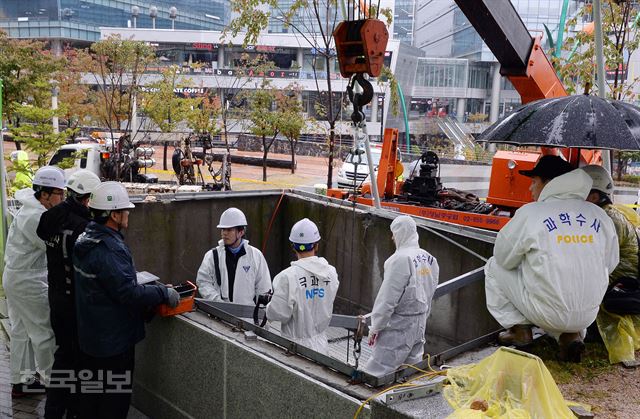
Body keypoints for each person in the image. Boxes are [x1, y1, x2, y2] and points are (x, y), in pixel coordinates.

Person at [485, 155, 619, 362]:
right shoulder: (599, 216)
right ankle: (570, 336)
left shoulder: (531, 213)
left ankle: (519, 329)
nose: (530, 189)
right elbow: (610, 264)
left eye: (533, 182)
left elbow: (504, 258)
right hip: (587, 315)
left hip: (546, 312)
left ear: (549, 183)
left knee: (493, 266)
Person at [73, 182, 180, 419]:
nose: (128, 213)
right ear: (114, 214)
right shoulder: (110, 248)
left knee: (93, 398)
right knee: (114, 402)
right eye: (125, 210)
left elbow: (109, 284)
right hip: (113, 344)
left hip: (92, 339)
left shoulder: (86, 238)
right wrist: (162, 293)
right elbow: (128, 293)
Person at [36, 169, 101, 418]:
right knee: (72, 360)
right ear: (87, 199)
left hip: (57, 299)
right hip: (75, 304)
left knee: (64, 355)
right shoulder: (83, 227)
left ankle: (61, 409)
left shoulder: (51, 219)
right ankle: (64, 410)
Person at [3, 166, 65, 397]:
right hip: (29, 281)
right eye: (59, 193)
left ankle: (21, 381)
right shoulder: (36, 217)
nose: (62, 198)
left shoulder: (32, 207)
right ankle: (53, 384)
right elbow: (55, 248)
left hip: (16, 277)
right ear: (45, 193)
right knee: (44, 332)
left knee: (20, 331)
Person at [364, 215, 440, 376]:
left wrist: (376, 327)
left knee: (379, 371)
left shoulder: (399, 260)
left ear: (399, 233)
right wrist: (423, 317)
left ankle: (375, 401)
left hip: (398, 326)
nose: (392, 237)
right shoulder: (429, 259)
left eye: (393, 233)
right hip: (419, 324)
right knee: (411, 371)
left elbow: (387, 299)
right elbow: (430, 291)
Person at [581, 165, 640, 363]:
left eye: (581, 192)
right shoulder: (605, 214)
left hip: (621, 281)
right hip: (620, 274)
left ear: (595, 197)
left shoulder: (606, 220)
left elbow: (598, 260)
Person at [265, 218, 339, 354]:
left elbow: (278, 313)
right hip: (321, 345)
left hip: (294, 348)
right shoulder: (331, 273)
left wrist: (268, 306)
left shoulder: (287, 277)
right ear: (316, 245)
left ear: (293, 246)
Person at [196, 207, 271, 305]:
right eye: (223, 229)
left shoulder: (255, 256)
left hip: (248, 316)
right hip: (219, 314)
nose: (224, 233)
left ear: (241, 232)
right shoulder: (212, 256)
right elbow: (203, 282)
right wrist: (217, 301)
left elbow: (264, 288)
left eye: (229, 229)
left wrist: (258, 313)